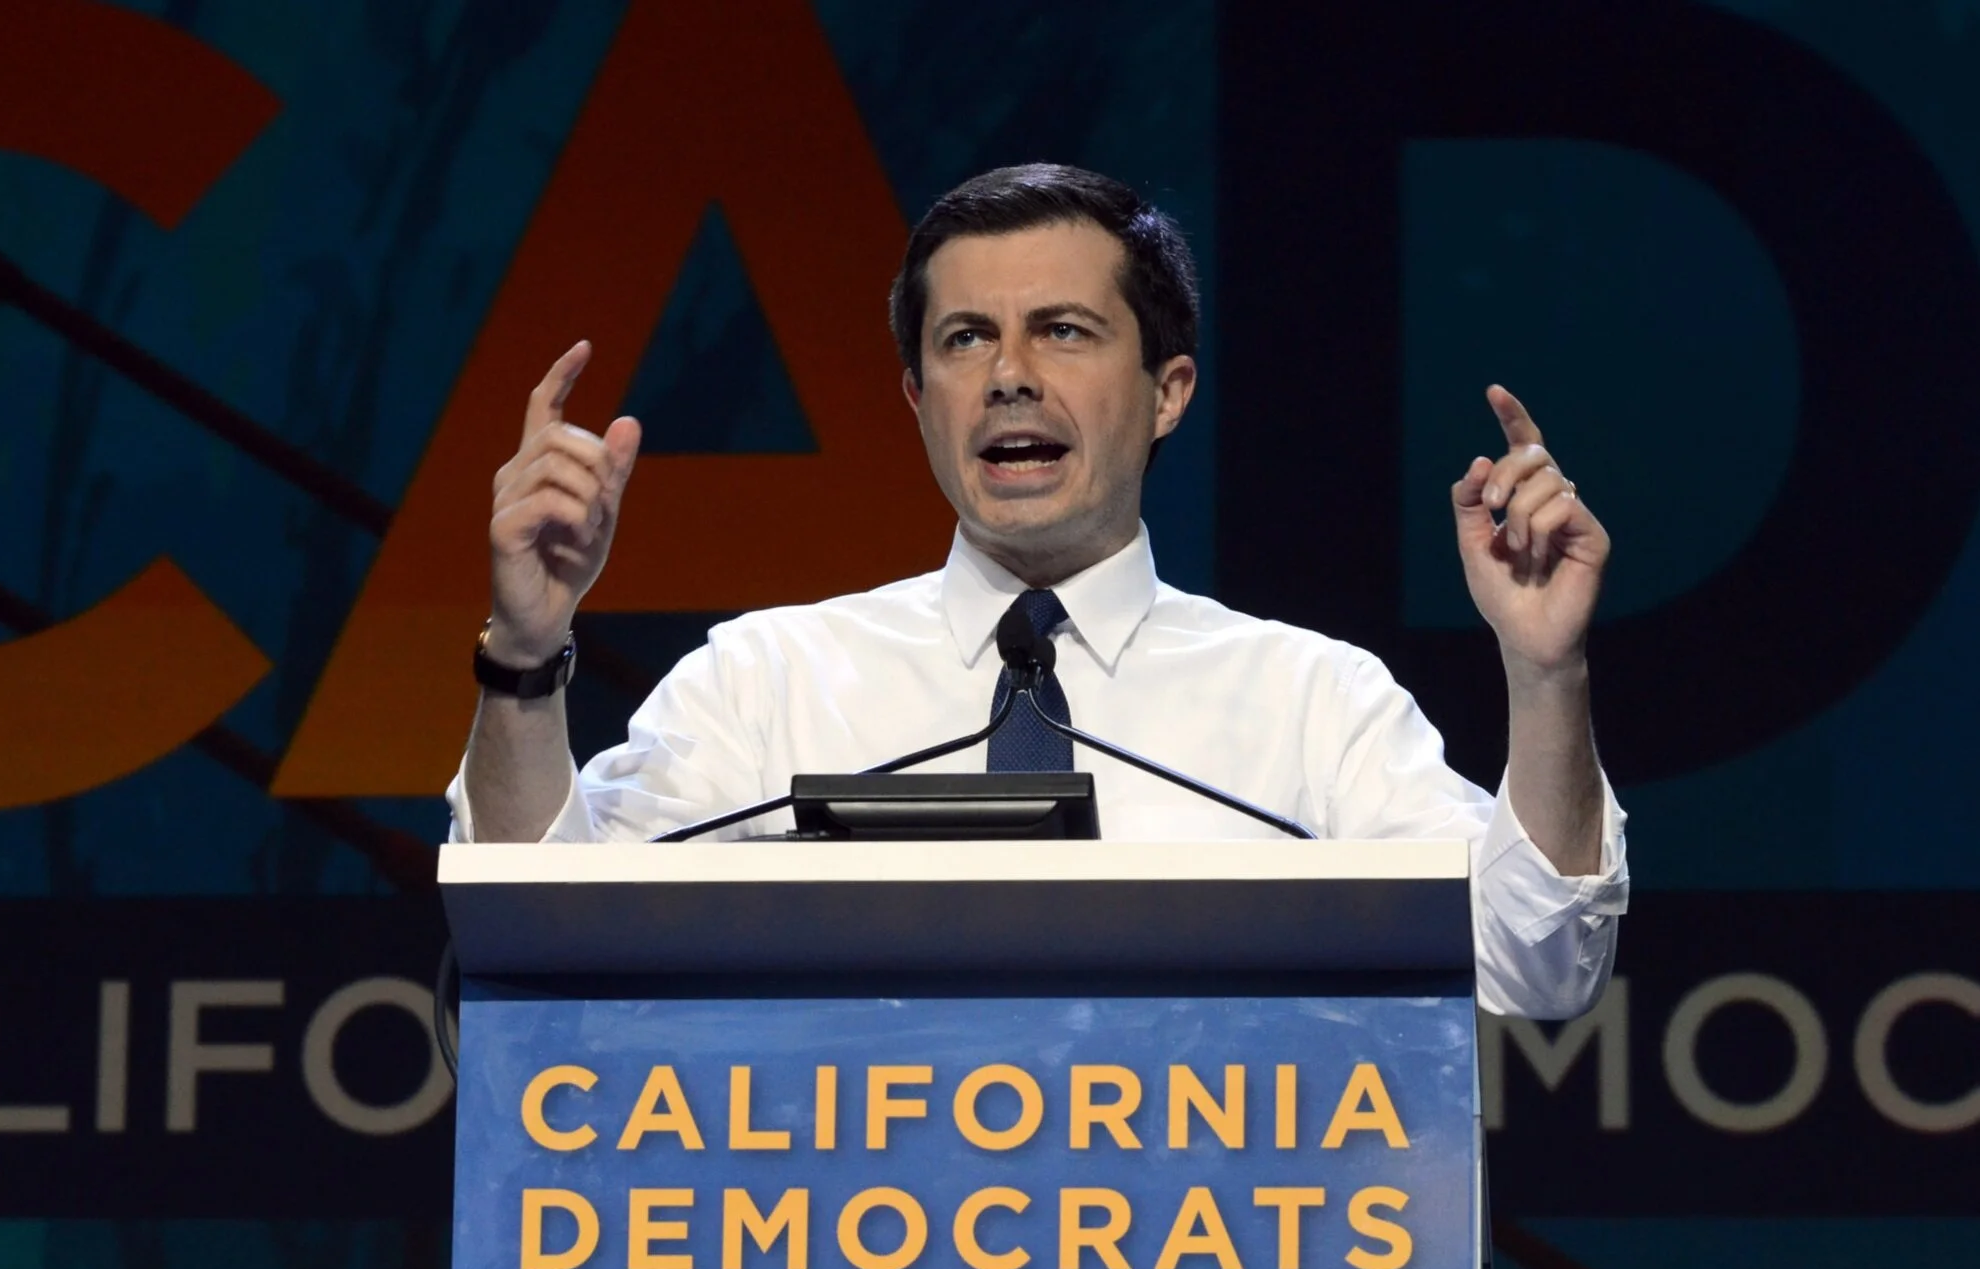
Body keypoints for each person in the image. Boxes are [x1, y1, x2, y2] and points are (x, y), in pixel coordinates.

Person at [449, 164, 1626, 1019]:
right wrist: (524, 653)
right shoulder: (764, 683)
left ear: (1168, 391)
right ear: (918, 399)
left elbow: (1540, 963)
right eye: (964, 340)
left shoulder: (1309, 700)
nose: (1009, 377)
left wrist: (1545, 672)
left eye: (1061, 331)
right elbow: (539, 946)